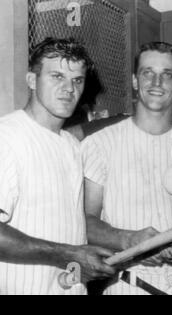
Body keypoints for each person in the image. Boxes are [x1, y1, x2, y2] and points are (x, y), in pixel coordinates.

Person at [82, 42, 172, 295]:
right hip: (128, 285)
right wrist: (129, 239)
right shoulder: (100, 144)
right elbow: (84, 222)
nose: (156, 82)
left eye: (167, 75)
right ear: (135, 80)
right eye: (148, 72)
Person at [0, 37, 116, 295]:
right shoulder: (6, 137)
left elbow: (71, 236)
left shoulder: (71, 145)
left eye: (77, 80)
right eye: (56, 76)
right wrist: (68, 255)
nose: (68, 88)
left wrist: (79, 263)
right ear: (32, 80)